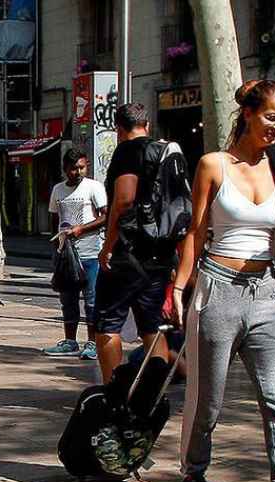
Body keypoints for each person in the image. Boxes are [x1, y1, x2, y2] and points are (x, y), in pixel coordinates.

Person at [165, 79, 275, 482]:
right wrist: (180, 288)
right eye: (272, 116)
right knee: (207, 400)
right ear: (250, 113)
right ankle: (193, 476)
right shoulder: (213, 164)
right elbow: (196, 231)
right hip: (218, 288)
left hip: (265, 290)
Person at [94, 103, 175, 385]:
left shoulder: (128, 151)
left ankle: (113, 391)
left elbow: (125, 199)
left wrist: (108, 244)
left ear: (118, 129)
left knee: (107, 324)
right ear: (147, 125)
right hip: (160, 253)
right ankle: (153, 393)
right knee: (152, 326)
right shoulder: (165, 151)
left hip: (128, 254)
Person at [45, 146, 107, 360]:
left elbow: (105, 216)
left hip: (89, 253)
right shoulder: (58, 190)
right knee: (68, 299)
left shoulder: (94, 187)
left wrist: (82, 229)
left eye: (81, 167)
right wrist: (57, 247)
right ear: (65, 169)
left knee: (91, 299)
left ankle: (92, 343)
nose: (78, 172)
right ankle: (70, 341)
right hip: (65, 254)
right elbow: (54, 218)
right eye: (73, 169)